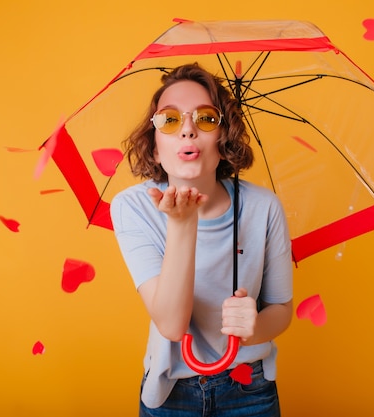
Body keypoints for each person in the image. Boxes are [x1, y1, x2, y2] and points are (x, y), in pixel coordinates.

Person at [111, 63, 294, 416]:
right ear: (153, 147)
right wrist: (182, 224)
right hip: (170, 392)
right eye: (170, 120)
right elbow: (171, 324)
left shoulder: (263, 207)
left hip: (249, 390)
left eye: (207, 119)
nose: (188, 130)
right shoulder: (132, 207)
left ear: (224, 141)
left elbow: (282, 310)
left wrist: (255, 328)